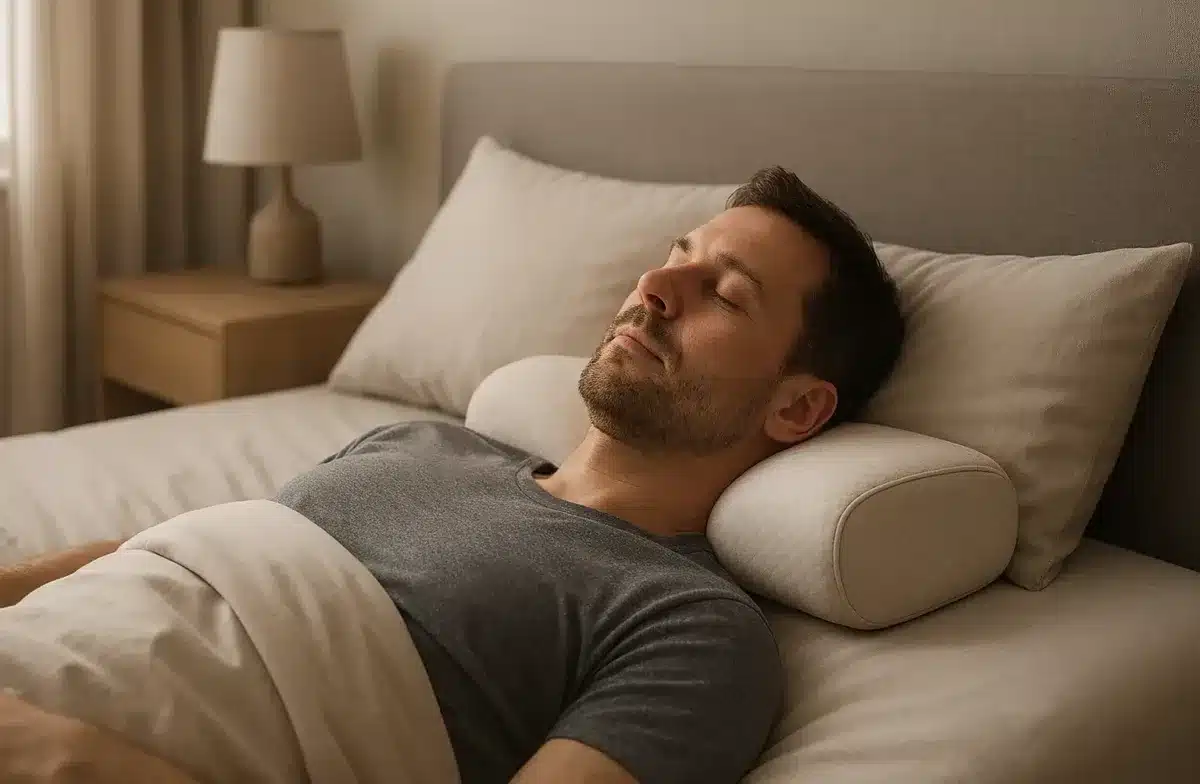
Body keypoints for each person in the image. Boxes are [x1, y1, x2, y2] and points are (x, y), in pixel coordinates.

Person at [0, 166, 905, 783]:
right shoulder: (426, 444)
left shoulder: (689, 626)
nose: (657, 289)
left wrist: (73, 760)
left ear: (797, 409)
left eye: (727, 295)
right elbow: (188, 565)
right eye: (678, 256)